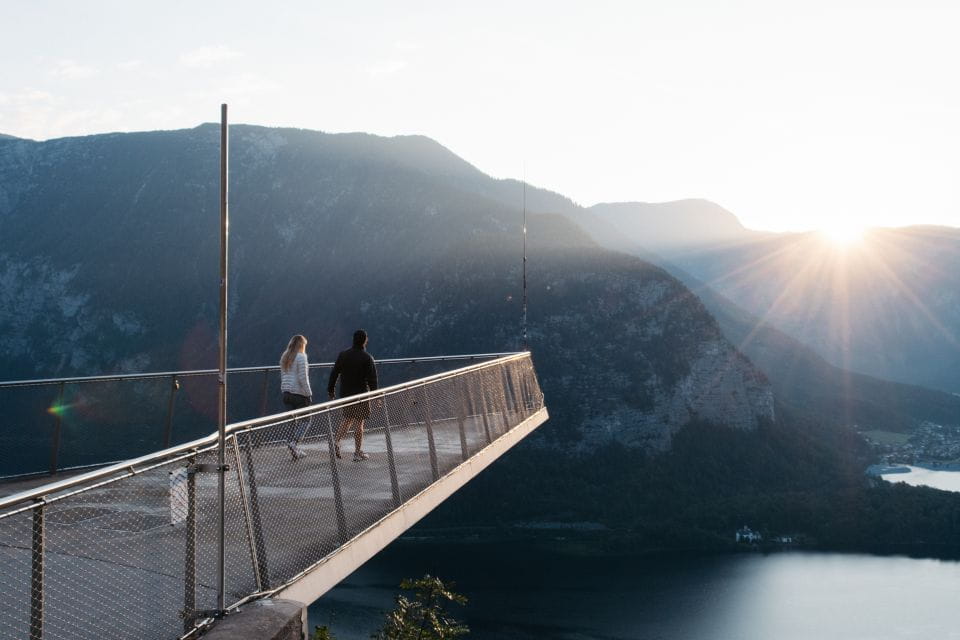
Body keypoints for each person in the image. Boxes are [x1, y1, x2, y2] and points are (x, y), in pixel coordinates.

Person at [328, 329, 378, 461]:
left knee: (347, 419)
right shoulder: (367, 358)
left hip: (346, 394)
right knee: (359, 423)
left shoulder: (343, 355)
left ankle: (336, 443)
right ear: (365, 340)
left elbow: (334, 373)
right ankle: (357, 452)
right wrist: (376, 395)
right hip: (361, 394)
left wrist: (331, 389)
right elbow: (372, 379)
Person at [279, 334, 312, 460]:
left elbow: (283, 376)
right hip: (299, 395)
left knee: (292, 422)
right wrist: (308, 393)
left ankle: (293, 447)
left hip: (286, 394)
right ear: (301, 345)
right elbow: (303, 378)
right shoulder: (301, 357)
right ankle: (294, 443)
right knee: (306, 420)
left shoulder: (285, 356)